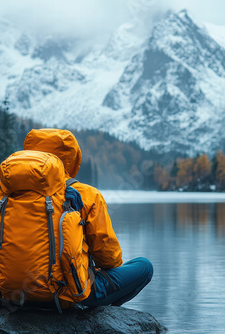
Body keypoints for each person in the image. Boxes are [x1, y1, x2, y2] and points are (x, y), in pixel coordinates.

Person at [23, 128, 153, 308]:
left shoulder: (6, 195)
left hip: (14, 296)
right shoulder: (86, 194)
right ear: (72, 158)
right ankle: (94, 310)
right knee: (144, 266)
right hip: (67, 297)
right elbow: (108, 258)